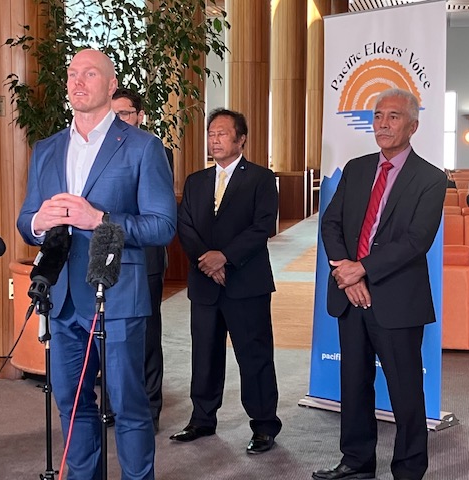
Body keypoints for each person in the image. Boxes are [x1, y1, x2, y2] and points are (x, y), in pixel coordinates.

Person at [17, 49, 176, 480]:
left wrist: (99, 219)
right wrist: (38, 221)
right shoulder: (46, 149)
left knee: (129, 407)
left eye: (89, 73)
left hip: (119, 297)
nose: (76, 81)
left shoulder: (143, 147)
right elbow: (25, 219)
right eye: (71, 74)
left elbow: (162, 226)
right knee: (72, 405)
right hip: (64, 300)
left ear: (110, 85)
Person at [315, 89, 445, 480]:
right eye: (377, 116)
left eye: (393, 116)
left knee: (406, 392)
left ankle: (408, 470)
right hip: (349, 295)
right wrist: (346, 271)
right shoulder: (355, 168)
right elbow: (331, 223)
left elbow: (415, 241)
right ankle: (356, 462)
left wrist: (362, 269)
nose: (383, 124)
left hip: (397, 300)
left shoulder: (431, 179)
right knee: (353, 385)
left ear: (413, 125)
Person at [172, 108, 282, 454]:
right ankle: (202, 418)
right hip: (205, 283)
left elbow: (262, 226)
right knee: (204, 355)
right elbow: (185, 226)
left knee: (255, 356)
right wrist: (208, 261)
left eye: (222, 133)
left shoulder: (261, 179)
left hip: (246, 283)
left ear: (241, 139)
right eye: (211, 134)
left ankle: (264, 425)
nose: (214, 140)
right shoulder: (196, 181)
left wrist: (225, 257)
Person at [111, 87, 174, 432]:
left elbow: (155, 214)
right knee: (109, 334)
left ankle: (150, 408)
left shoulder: (155, 151)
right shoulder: (97, 155)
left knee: (146, 336)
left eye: (125, 113)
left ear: (139, 116)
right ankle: (112, 403)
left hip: (145, 259)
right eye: (114, 113)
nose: (118, 120)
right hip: (106, 260)